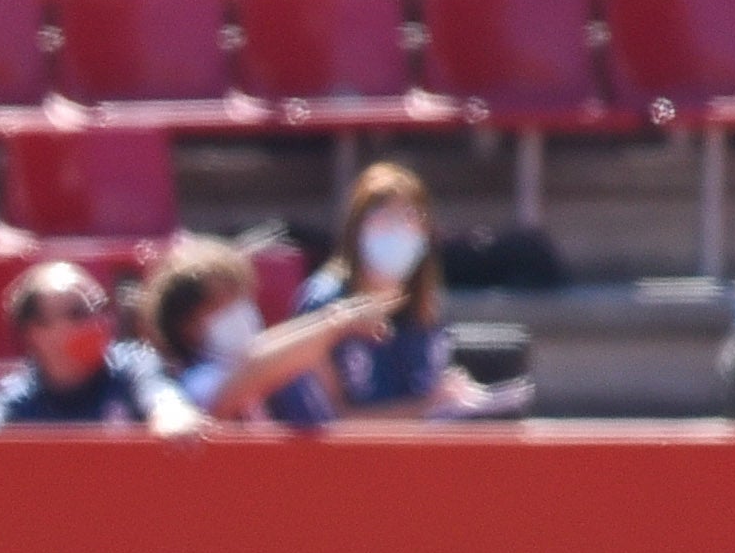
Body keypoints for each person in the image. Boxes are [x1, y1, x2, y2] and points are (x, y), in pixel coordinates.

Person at [297, 167, 533, 420]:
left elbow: (421, 395)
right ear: (356, 228)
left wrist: (452, 395)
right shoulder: (323, 303)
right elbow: (333, 423)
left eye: (410, 218)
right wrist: (428, 405)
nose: (398, 231)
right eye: (384, 218)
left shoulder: (423, 304)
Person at [139, 237, 387, 428]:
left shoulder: (260, 355)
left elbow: (269, 350)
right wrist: (336, 323)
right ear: (187, 327)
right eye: (221, 306)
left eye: (240, 299)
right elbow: (252, 376)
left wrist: (336, 319)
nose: (239, 312)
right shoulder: (197, 381)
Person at [0, 260, 206, 438]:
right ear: (36, 333)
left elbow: (165, 402)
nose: (98, 322)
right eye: (78, 314)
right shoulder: (17, 398)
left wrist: (173, 417)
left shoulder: (134, 365)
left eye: (101, 308)